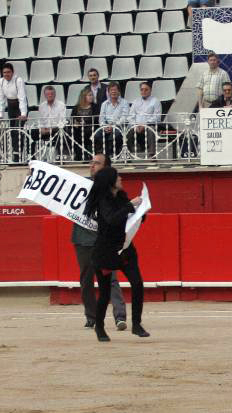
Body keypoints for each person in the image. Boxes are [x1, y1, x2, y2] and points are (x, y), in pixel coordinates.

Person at [84, 166, 149, 342]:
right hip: (106, 253)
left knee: (137, 283)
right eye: (117, 177)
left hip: (125, 249)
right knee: (105, 293)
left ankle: (136, 324)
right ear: (110, 182)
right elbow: (112, 219)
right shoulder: (103, 200)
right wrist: (130, 206)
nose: (121, 179)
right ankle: (99, 326)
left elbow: (131, 216)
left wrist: (142, 212)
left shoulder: (120, 196)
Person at [72, 153, 127, 330]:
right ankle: (92, 317)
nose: (92, 165)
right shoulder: (78, 185)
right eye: (91, 162)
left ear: (106, 168)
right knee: (86, 280)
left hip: (103, 239)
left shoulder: (113, 188)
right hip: (83, 238)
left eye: (97, 163)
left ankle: (120, 316)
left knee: (110, 278)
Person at [0, 63, 28, 162]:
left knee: (18, 130)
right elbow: (1, 100)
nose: (6, 74)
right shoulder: (1, 82)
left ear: (12, 72)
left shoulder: (18, 80)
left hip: (19, 106)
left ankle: (19, 155)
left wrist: (23, 114)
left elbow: (22, 98)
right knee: (12, 131)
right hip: (11, 106)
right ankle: (15, 155)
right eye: (4, 72)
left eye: (8, 72)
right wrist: (1, 114)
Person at [127, 82, 162, 158]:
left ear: (150, 90)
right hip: (136, 125)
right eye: (142, 90)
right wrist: (136, 125)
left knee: (151, 129)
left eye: (146, 90)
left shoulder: (155, 101)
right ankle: (129, 154)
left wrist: (144, 124)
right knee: (127, 131)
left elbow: (157, 117)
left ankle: (152, 155)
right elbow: (130, 117)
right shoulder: (135, 101)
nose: (143, 92)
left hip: (149, 125)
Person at [94, 82, 129, 156]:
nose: (113, 92)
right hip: (106, 126)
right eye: (111, 90)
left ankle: (113, 154)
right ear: (108, 92)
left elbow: (124, 117)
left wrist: (114, 125)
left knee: (114, 135)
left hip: (119, 126)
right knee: (97, 135)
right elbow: (101, 118)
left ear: (119, 91)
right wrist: (104, 126)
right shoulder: (104, 104)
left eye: (115, 90)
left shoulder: (124, 102)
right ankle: (104, 154)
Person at [35, 86, 67, 158]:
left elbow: (62, 121)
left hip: (56, 129)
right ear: (45, 95)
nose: (50, 95)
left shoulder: (61, 105)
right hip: (44, 130)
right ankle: (31, 157)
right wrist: (42, 128)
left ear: (55, 94)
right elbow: (40, 120)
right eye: (48, 94)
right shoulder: (42, 106)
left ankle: (59, 157)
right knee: (30, 133)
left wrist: (51, 129)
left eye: (51, 94)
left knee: (60, 132)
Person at [70, 88, 99, 161]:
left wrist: (85, 123)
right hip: (79, 128)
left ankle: (86, 155)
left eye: (92, 95)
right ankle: (79, 155)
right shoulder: (76, 107)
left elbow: (96, 118)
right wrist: (76, 123)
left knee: (88, 131)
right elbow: (72, 118)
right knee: (72, 131)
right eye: (89, 95)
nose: (91, 97)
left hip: (90, 127)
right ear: (84, 97)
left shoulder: (95, 106)